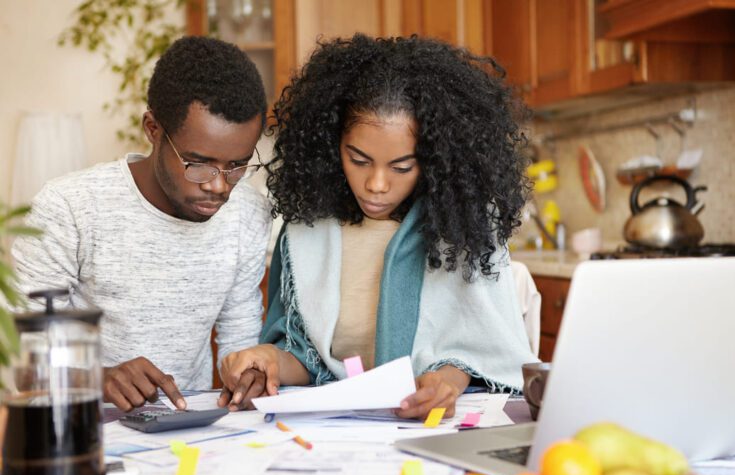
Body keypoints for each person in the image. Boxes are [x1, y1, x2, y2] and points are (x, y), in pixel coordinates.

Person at [219, 34, 539, 419]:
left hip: (432, 430)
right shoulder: (307, 233)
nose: (377, 184)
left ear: (435, 159)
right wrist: (267, 357)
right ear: (330, 144)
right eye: (359, 159)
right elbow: (305, 356)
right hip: (334, 434)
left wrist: (448, 382)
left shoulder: (465, 230)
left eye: (402, 166)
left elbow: (490, 356)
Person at [11, 36, 272, 412]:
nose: (219, 185)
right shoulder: (70, 207)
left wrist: (249, 373)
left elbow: (239, 343)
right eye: (198, 163)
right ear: (153, 129)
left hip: (189, 437)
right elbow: (18, 357)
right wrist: (97, 378)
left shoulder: (247, 212)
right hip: (82, 432)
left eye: (237, 165)